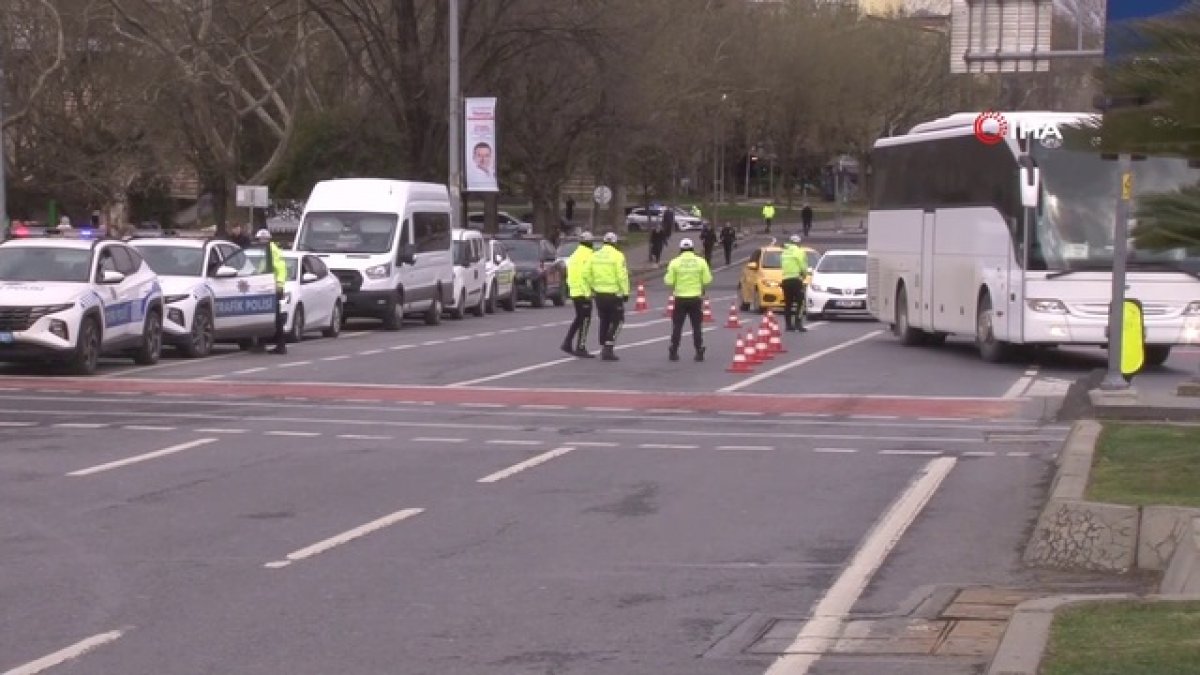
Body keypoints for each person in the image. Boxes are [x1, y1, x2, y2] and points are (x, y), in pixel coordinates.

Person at [664, 238, 713, 362]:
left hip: (680, 298)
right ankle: (699, 350)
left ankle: (674, 350)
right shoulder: (701, 262)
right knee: (696, 326)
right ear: (692, 248)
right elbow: (707, 280)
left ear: (680, 249)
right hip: (695, 298)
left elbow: (668, 281)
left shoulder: (675, 262)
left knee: (677, 326)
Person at [589, 232, 629, 361]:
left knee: (604, 320)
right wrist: (625, 292)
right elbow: (621, 276)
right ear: (615, 242)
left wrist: (592, 287)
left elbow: (586, 273)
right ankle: (608, 347)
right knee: (618, 321)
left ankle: (603, 344)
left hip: (599, 294)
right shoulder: (618, 256)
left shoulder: (594, 255)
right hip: (613, 294)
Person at [561, 232, 596, 358]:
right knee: (585, 320)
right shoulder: (590, 255)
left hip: (575, 291)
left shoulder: (574, 255)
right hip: (584, 292)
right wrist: (592, 289)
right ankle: (581, 347)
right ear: (589, 242)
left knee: (579, 318)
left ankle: (567, 342)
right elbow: (589, 274)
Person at [256, 229, 290, 354]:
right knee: (264, 315)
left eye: (262, 239)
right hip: (264, 286)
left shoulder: (272, 250)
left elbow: (281, 268)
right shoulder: (263, 250)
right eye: (259, 239)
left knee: (275, 317)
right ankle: (261, 343)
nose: (260, 241)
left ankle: (280, 345)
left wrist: (279, 284)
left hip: (272, 287)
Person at [781, 234, 810, 333]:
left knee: (788, 304)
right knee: (800, 303)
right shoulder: (799, 251)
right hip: (796, 280)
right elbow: (803, 265)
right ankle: (798, 324)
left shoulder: (785, 252)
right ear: (798, 243)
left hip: (785, 280)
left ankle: (788, 325)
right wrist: (804, 274)